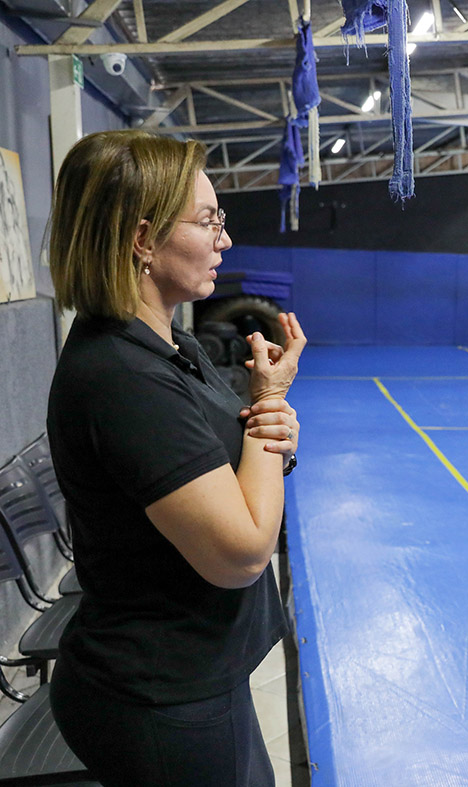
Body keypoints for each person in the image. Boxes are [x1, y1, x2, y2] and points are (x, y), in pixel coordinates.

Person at [45, 129, 307, 786]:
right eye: (207, 221)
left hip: (200, 673)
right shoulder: (121, 376)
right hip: (160, 696)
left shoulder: (167, 347)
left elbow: (236, 451)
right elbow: (243, 551)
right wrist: (270, 420)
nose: (223, 239)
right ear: (141, 239)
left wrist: (268, 426)